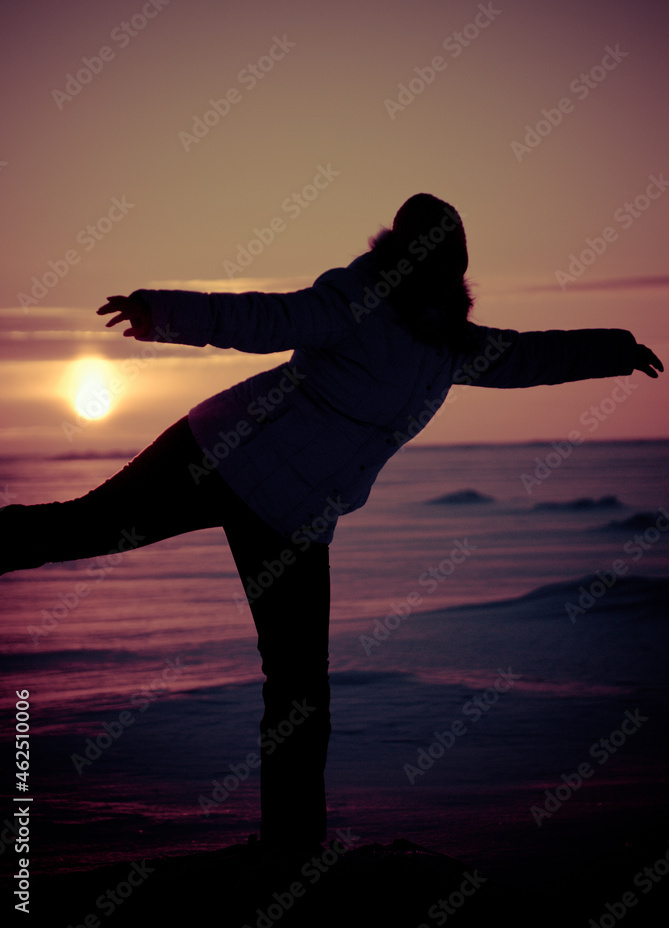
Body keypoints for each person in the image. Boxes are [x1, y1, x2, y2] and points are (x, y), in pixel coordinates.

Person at [1, 193, 662, 852]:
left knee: (298, 692)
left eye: (447, 262)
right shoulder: (354, 300)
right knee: (86, 528)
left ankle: (292, 852)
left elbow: (525, 358)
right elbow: (266, 318)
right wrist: (162, 312)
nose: (435, 270)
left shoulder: (451, 349)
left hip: (293, 518)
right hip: (220, 455)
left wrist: (611, 349)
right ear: (402, 254)